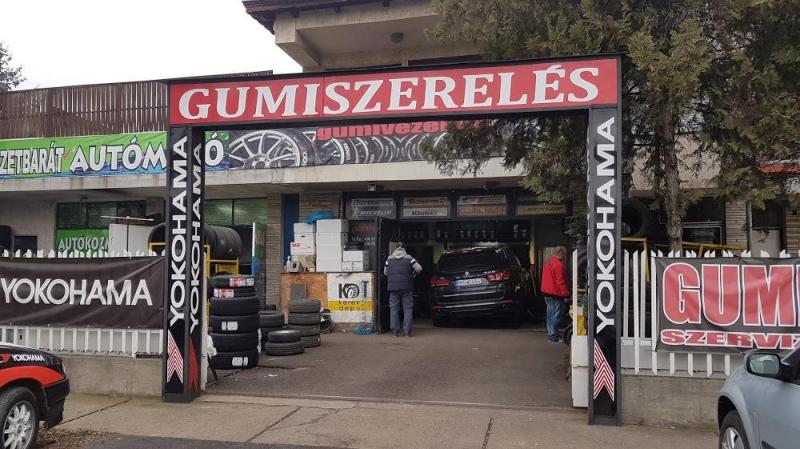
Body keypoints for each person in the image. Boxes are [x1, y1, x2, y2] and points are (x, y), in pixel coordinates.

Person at [384, 242, 422, 337]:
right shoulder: (409, 258)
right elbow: (419, 268)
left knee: (394, 309)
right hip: (407, 288)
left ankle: (395, 332)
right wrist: (413, 274)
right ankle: (407, 332)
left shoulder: (389, 259)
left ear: (395, 248)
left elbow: (385, 272)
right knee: (407, 308)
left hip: (393, 288)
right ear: (404, 248)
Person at [540, 246, 569, 343]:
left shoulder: (548, 262)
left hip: (546, 292)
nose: (564, 256)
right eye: (564, 254)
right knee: (556, 315)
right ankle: (553, 336)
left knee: (550, 314)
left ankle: (551, 333)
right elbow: (560, 282)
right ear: (561, 254)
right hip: (555, 293)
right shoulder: (559, 265)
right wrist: (566, 294)